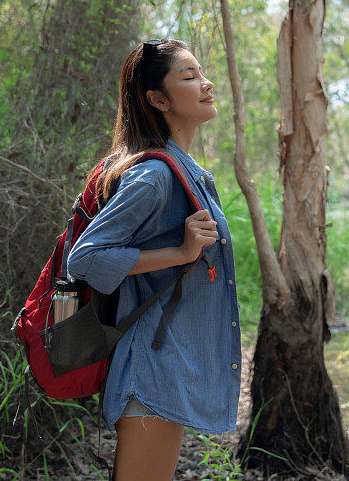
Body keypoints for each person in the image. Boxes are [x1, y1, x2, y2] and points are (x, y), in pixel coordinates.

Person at [66, 38, 241, 480]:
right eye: (189, 77)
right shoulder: (155, 175)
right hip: (149, 373)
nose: (206, 83)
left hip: (168, 371)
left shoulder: (185, 169)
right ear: (157, 99)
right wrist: (179, 253)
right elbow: (85, 258)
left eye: (202, 73)